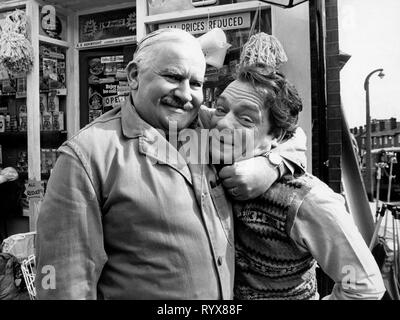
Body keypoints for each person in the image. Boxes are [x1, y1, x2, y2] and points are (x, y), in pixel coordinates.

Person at [35, 28, 306, 300]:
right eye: (173, 77)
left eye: (196, 84)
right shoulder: (86, 156)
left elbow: (290, 133)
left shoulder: (204, 126)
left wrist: (271, 165)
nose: (186, 95)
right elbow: (62, 284)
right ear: (133, 76)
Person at [209, 64, 386, 300]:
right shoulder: (208, 161)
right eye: (220, 109)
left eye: (246, 119)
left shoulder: (308, 200)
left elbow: (364, 286)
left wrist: (273, 163)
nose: (223, 123)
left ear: (277, 137)